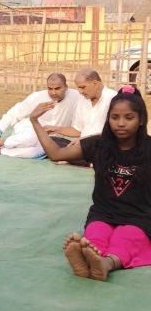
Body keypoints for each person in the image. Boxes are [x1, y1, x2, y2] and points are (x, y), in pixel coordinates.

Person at [29, 86, 151, 281]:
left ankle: (105, 264)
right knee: (95, 239)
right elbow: (56, 154)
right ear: (108, 119)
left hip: (139, 218)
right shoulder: (98, 144)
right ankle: (87, 259)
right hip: (103, 213)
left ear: (141, 119)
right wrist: (34, 121)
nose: (120, 123)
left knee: (125, 239)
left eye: (129, 118)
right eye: (114, 117)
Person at [0, 73, 80, 158]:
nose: (53, 92)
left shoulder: (76, 97)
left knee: (37, 153)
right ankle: (0, 143)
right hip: (29, 127)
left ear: (66, 87)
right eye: (50, 89)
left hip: (48, 138)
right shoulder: (38, 97)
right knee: (30, 137)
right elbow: (15, 113)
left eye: (57, 88)